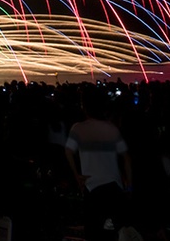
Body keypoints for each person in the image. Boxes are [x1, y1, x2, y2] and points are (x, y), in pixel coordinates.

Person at [65, 88, 132, 241]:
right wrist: (129, 186)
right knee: (114, 232)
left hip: (92, 186)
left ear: (84, 106)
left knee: (94, 232)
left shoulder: (78, 128)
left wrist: (77, 175)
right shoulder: (111, 129)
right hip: (114, 186)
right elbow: (126, 158)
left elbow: (68, 151)